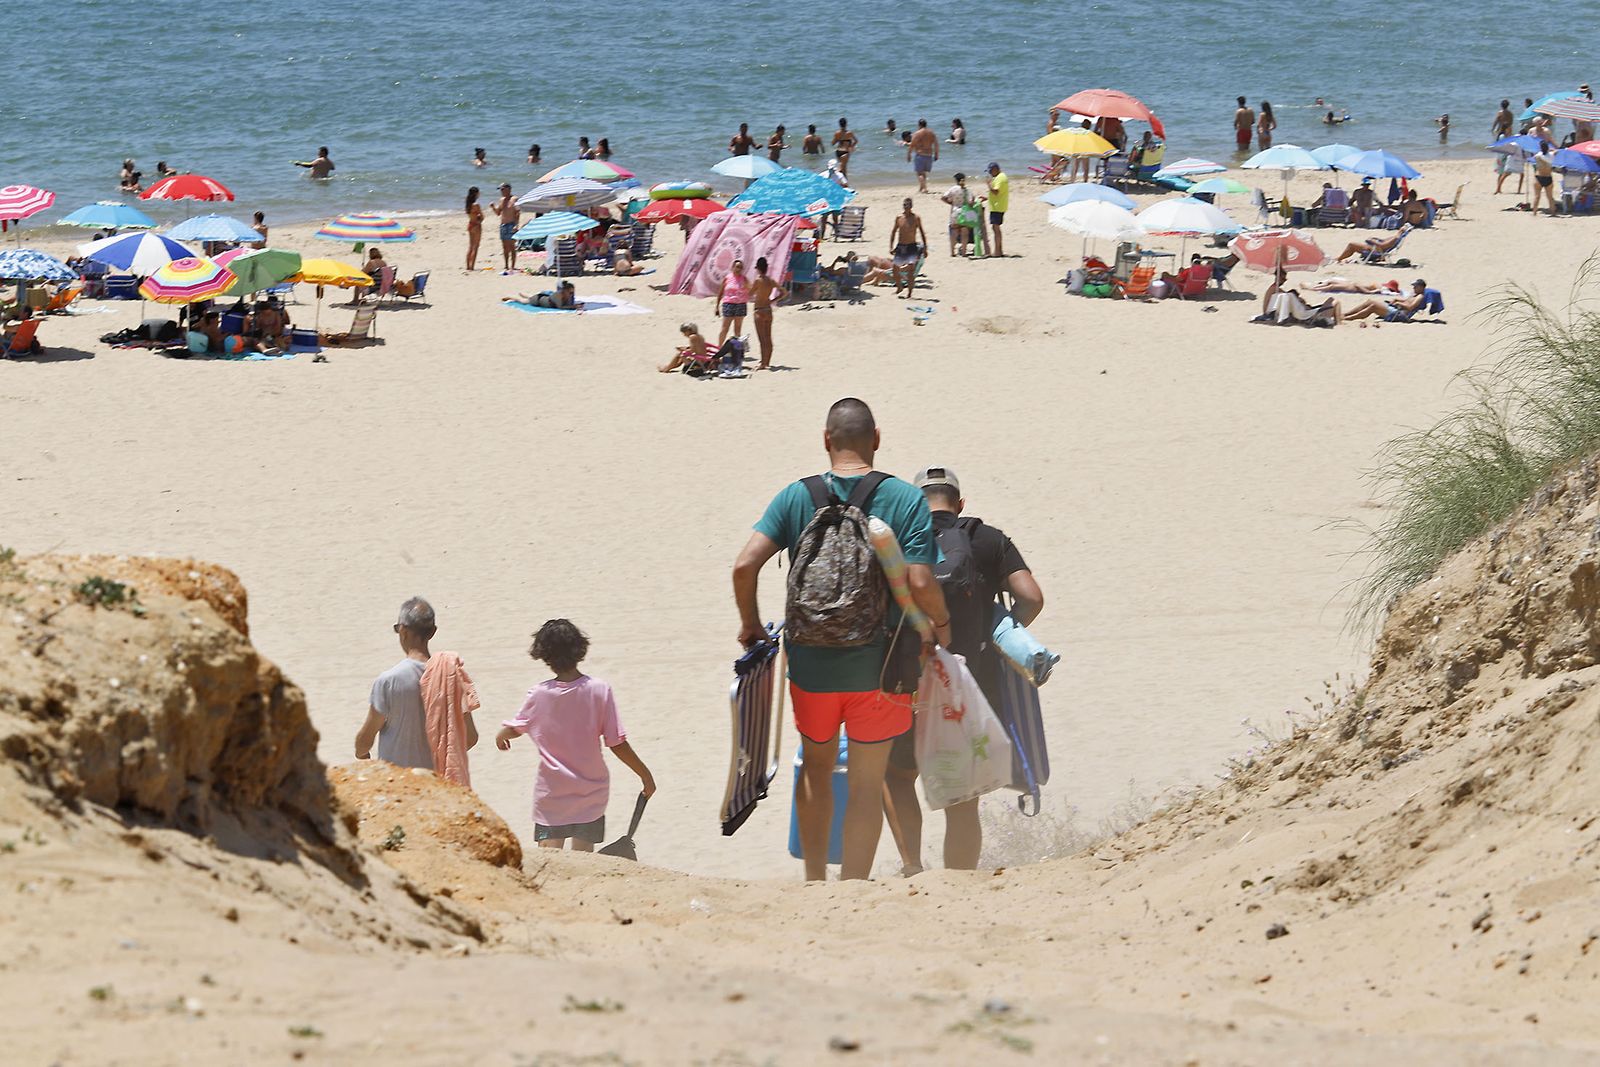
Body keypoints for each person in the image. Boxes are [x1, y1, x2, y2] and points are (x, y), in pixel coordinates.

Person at [732, 398, 951, 881]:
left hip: (811, 665)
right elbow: (918, 582)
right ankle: (853, 884)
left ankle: (814, 880)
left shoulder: (796, 496)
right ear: (876, 438)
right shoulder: (904, 499)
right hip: (884, 667)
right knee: (867, 784)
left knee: (816, 770)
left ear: (826, 441)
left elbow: (745, 565)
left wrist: (750, 626)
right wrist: (939, 626)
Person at [883, 466, 1044, 875]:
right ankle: (959, 880)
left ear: (916, 504)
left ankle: (912, 869)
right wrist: (1001, 633)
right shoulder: (987, 539)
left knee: (898, 777)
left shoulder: (898, 539)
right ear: (961, 504)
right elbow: (1031, 597)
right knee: (963, 799)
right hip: (968, 685)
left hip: (908, 680)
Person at [496, 619, 655, 853]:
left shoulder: (539, 694)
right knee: (583, 866)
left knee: (551, 866)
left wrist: (501, 735)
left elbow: (516, 728)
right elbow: (617, 743)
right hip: (590, 796)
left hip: (552, 798)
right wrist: (645, 776)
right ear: (579, 648)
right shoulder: (600, 690)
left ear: (544, 655)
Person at [355, 598, 444, 769]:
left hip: (399, 781)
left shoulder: (389, 680)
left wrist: (361, 753)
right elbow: (470, 737)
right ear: (432, 632)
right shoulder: (449, 677)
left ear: (403, 631)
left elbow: (366, 740)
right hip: (436, 782)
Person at [1341, 278, 1432, 323]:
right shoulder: (1415, 294)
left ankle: (1347, 318)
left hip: (1400, 315)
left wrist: (1398, 303)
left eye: (1415, 286)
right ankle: (1346, 314)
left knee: (1373, 306)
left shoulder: (1420, 296)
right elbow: (1406, 301)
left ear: (1421, 287)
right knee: (1370, 301)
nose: (1414, 287)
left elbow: (1410, 307)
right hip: (1397, 310)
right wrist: (1397, 299)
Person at [749, 257, 785, 370]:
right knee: (768, 338)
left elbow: (750, 293)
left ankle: (763, 363)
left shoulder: (758, 280)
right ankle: (767, 361)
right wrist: (773, 300)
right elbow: (784, 292)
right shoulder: (771, 281)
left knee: (762, 339)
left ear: (758, 269)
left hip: (759, 310)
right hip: (768, 309)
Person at [889, 198, 927, 298]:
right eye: (905, 205)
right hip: (901, 246)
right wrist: (891, 246)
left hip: (912, 246)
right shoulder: (899, 218)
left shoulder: (916, 218)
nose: (906, 207)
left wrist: (925, 248)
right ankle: (899, 287)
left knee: (911, 271)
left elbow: (922, 233)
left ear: (911, 206)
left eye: (908, 205)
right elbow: (893, 232)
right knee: (895, 269)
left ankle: (909, 293)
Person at [1334, 223, 1413, 263]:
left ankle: (1339, 258)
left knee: (1352, 245)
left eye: (1404, 226)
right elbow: (1383, 242)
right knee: (1353, 246)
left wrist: (1371, 240)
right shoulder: (1396, 236)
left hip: (1375, 250)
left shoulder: (1395, 238)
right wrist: (1375, 239)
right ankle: (1340, 258)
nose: (1402, 226)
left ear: (1403, 229)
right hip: (1376, 249)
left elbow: (1382, 246)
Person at [488, 183, 521, 271]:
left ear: (508, 189)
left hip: (511, 224)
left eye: (502, 189)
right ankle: (506, 265)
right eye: (500, 190)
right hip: (503, 225)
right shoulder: (502, 200)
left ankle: (513, 266)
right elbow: (498, 213)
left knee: (512, 246)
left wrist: (516, 225)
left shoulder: (514, 199)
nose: (501, 192)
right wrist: (493, 207)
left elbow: (517, 213)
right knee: (504, 247)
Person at [716, 258, 750, 343]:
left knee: (737, 329)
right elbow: (720, 292)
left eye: (741, 267)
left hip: (741, 304)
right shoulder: (727, 278)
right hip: (728, 303)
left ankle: (737, 350)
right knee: (725, 328)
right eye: (737, 267)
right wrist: (717, 306)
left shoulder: (744, 279)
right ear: (733, 267)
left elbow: (751, 289)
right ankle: (719, 348)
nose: (739, 269)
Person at [942, 172, 976, 256]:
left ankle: (952, 252)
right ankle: (964, 252)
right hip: (964, 212)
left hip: (955, 211)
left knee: (954, 232)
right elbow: (970, 203)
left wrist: (951, 203)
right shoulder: (967, 190)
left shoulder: (953, 189)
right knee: (965, 232)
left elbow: (943, 197)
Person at [984, 162, 1009, 257]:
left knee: (996, 228)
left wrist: (989, 184)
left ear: (995, 169)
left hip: (997, 207)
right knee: (995, 228)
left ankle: (998, 251)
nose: (990, 173)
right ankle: (999, 250)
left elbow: (996, 192)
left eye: (991, 171)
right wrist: (986, 198)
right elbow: (999, 193)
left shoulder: (1000, 178)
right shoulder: (1001, 177)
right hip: (998, 205)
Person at [908, 118, 939, 193]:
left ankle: (925, 188)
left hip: (920, 155)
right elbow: (936, 144)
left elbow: (912, 145)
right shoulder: (931, 133)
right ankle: (921, 188)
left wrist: (909, 154)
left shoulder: (917, 133)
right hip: (929, 155)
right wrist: (936, 154)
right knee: (923, 173)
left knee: (919, 173)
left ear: (919, 125)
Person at [502, 281, 577, 309]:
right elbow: (560, 307)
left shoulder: (567, 295)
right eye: (570, 293)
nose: (571, 295)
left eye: (572, 293)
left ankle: (522, 293)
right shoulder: (558, 295)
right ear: (564, 291)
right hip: (539, 301)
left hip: (543, 297)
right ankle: (511, 297)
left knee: (531, 297)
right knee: (523, 301)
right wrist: (573, 307)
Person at [1531, 140, 1558, 216]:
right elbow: (1557, 151)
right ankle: (1553, 212)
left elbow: (1535, 156)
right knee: (1550, 197)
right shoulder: (1551, 155)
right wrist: (1551, 150)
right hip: (1548, 177)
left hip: (1539, 177)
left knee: (1537, 196)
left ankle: (1534, 212)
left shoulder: (1537, 156)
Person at [464, 187, 484, 271]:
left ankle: (468, 265)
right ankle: (472, 266)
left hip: (470, 224)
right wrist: (480, 218)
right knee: (476, 247)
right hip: (476, 225)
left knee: (471, 246)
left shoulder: (468, 204)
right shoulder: (476, 205)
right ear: (476, 194)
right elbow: (482, 217)